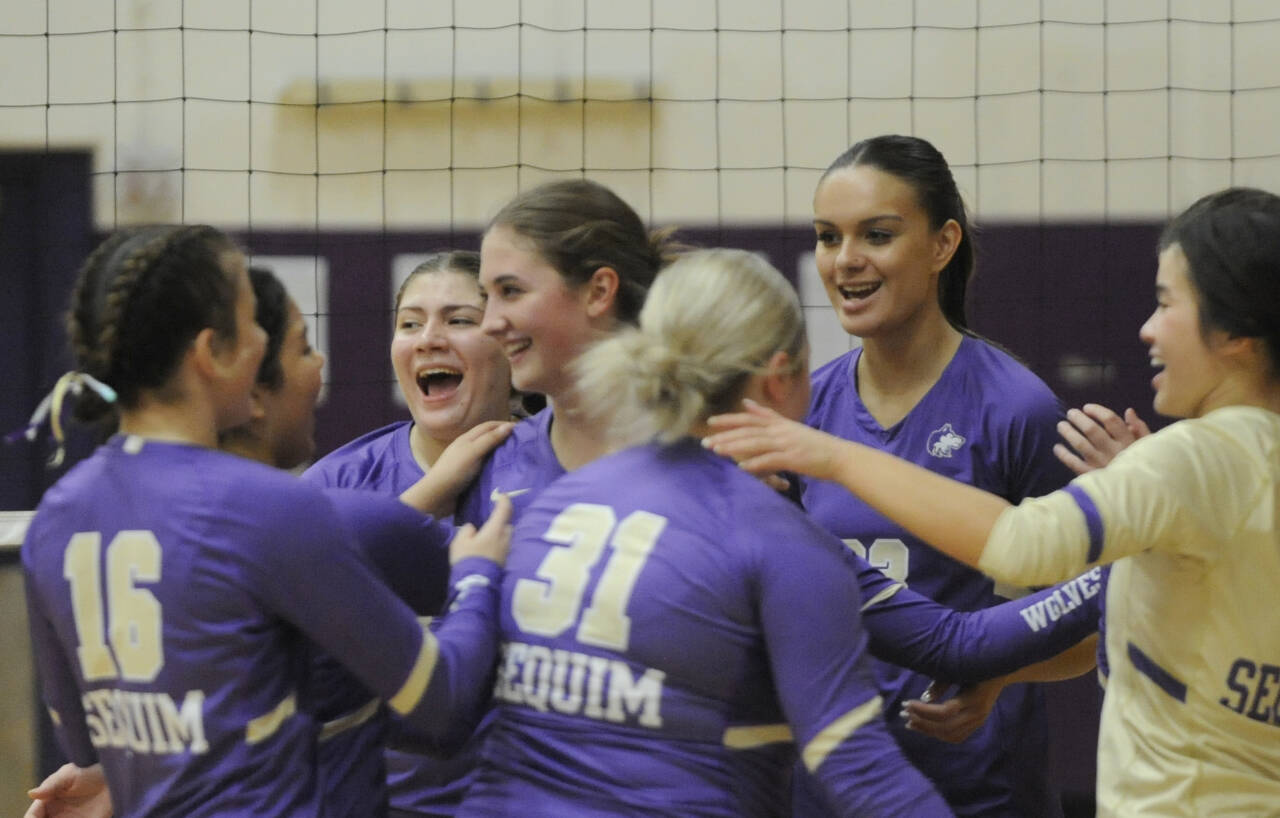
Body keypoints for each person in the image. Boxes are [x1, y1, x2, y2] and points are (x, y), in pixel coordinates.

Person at [704, 186, 1280, 816]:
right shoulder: (1206, 471)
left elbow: (1019, 552)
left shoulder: (1167, 460)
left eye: (1167, 303)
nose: (1146, 326)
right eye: (827, 235)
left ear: (1234, 332)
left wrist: (831, 457)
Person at [21, 226, 510, 817]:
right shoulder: (276, 506)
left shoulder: (57, 515)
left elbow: (93, 742)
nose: (266, 344)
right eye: (255, 324)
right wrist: (479, 576)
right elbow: (441, 706)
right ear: (213, 354)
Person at [460, 247, 954, 816]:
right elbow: (862, 771)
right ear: (779, 377)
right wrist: (1079, 544)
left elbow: (444, 713)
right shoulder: (777, 541)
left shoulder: (552, 505)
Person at [780, 134, 1074, 816]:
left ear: (943, 245)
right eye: (828, 237)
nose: (845, 260)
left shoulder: (1015, 408)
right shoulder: (803, 412)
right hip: (834, 787)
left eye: (876, 235)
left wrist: (999, 671)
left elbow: (1091, 619)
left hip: (978, 791)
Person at [305, 251, 514, 493]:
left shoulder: (557, 464)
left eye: (459, 320)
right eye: (410, 324)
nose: (427, 340)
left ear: (511, 342)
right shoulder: (335, 484)